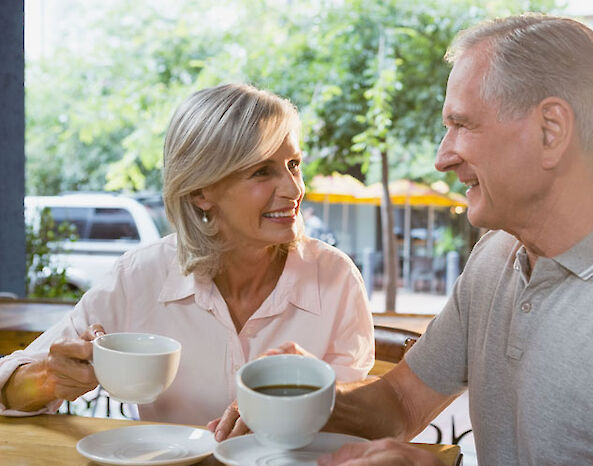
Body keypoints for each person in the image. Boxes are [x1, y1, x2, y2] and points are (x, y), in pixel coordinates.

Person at [270, 14, 593, 466]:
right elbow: (398, 401)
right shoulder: (497, 256)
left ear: (550, 130)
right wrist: (302, 395)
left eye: (461, 125)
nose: (442, 156)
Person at [0, 83, 375, 433]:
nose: (294, 189)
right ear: (200, 193)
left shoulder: (336, 278)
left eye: (294, 164)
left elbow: (364, 422)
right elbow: (7, 387)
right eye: (262, 171)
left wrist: (315, 396)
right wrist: (51, 378)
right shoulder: (140, 276)